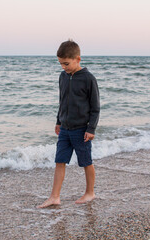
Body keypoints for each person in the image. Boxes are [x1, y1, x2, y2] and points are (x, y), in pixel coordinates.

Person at [37, 40, 100, 208]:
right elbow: (62, 101)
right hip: (65, 128)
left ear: (77, 59)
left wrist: (91, 128)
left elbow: (95, 107)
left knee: (86, 162)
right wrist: (58, 121)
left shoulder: (88, 78)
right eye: (60, 64)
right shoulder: (62, 76)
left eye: (66, 63)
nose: (63, 67)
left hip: (81, 130)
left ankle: (90, 193)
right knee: (60, 161)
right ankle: (54, 196)